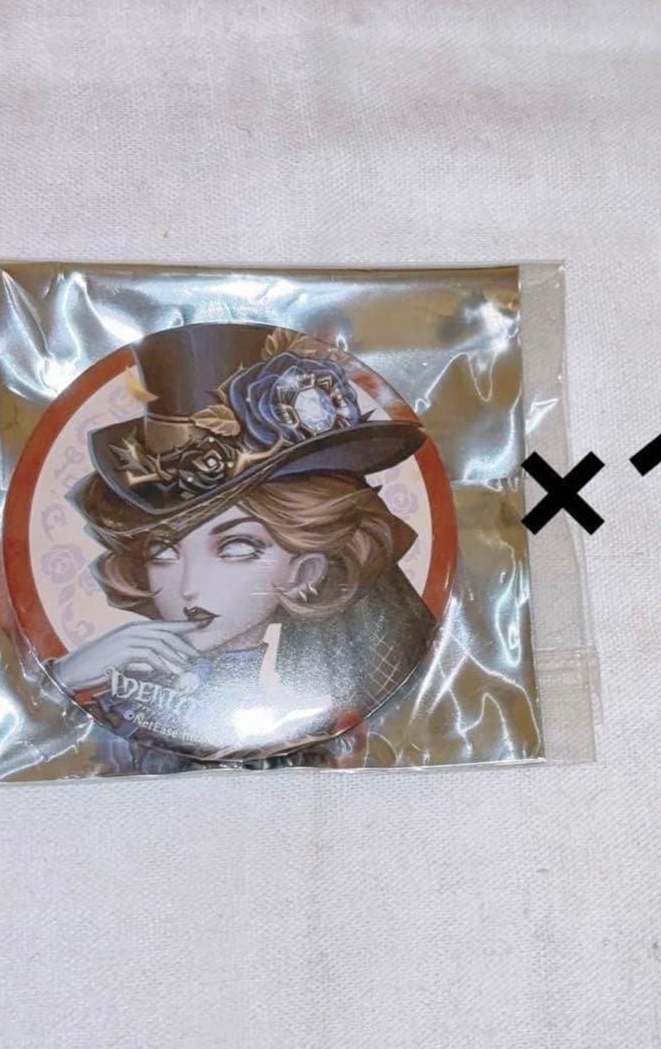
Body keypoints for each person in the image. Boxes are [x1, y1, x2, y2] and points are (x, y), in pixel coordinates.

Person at [46, 322, 437, 765]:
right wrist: (64, 678)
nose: (190, 587)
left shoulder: (343, 703)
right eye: (162, 550)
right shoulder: (117, 702)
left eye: (236, 548)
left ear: (304, 572)